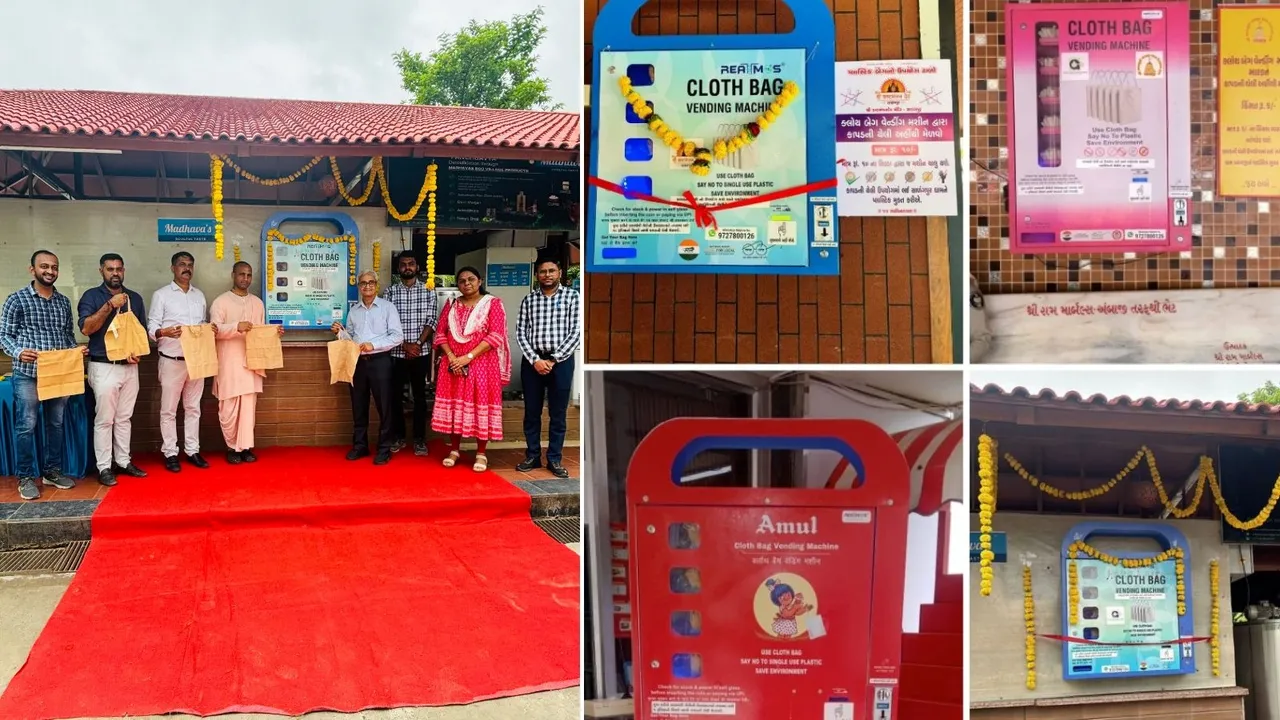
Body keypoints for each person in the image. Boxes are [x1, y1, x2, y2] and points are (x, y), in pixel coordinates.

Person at [0, 250, 87, 500]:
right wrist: (18, 352)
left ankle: (51, 472)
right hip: (28, 373)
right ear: (33, 270)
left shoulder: (63, 302)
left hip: (59, 373)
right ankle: (26, 477)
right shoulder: (16, 299)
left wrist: (75, 351)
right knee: (26, 425)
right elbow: (3, 335)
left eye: (54, 267)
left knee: (55, 424)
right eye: (44, 266)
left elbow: (67, 335)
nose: (50, 271)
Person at [77, 253, 149, 486]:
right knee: (105, 419)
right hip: (103, 366)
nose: (115, 273)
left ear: (124, 270)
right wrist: (110, 305)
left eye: (119, 269)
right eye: (110, 269)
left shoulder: (135, 298)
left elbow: (141, 332)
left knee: (124, 418)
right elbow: (87, 329)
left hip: (129, 367)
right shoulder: (91, 296)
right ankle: (104, 467)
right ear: (102, 271)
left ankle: (123, 461)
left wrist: (138, 352)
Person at [432, 266, 510, 472]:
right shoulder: (451, 304)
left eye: (471, 279)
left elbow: (495, 336)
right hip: (453, 366)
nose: (467, 283)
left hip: (482, 365)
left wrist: (467, 358)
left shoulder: (492, 304)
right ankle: (455, 450)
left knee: (480, 406)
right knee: (454, 407)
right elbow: (440, 334)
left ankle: (481, 453)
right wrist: (452, 358)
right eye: (462, 281)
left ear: (480, 281)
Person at [210, 262, 283, 465]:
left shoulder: (258, 303)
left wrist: (274, 333)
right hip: (228, 364)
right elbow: (213, 330)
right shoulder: (220, 302)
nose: (245, 278)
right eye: (241, 274)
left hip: (251, 362)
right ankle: (231, 447)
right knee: (228, 408)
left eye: (249, 275)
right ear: (233, 275)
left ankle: (245, 447)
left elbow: (260, 332)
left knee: (248, 408)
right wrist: (236, 327)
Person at [516, 258, 581, 479]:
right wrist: (535, 359)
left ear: (559, 273)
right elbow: (520, 332)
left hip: (561, 362)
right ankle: (533, 455)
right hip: (532, 361)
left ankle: (554, 458)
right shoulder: (529, 299)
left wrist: (553, 359)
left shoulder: (573, 297)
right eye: (543, 271)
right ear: (537, 275)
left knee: (558, 413)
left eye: (551, 270)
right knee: (531, 412)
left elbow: (576, 332)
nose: (547, 275)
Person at [332, 270, 403, 465]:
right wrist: (340, 332)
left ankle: (384, 448)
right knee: (358, 405)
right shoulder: (354, 311)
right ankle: (360, 445)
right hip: (357, 363)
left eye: (371, 282)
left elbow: (397, 336)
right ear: (359, 287)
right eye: (363, 283)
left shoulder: (388, 308)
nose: (367, 286)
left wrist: (374, 345)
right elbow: (350, 338)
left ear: (376, 285)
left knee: (385, 406)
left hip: (381, 361)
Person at [148, 251, 210, 473]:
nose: (187, 268)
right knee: (169, 410)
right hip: (171, 360)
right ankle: (170, 453)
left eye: (190, 264)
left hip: (196, 360)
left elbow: (202, 324)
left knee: (193, 408)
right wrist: (163, 332)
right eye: (182, 264)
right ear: (173, 268)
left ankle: (192, 450)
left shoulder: (199, 295)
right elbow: (151, 327)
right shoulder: (161, 295)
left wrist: (208, 329)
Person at [381, 253, 438, 456]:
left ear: (417, 267)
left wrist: (417, 344)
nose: (407, 267)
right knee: (395, 397)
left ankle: (420, 440)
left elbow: (432, 320)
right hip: (396, 353)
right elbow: (385, 324)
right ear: (398, 268)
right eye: (403, 264)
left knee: (420, 397)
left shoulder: (429, 291)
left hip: (421, 352)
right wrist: (405, 345)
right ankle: (399, 437)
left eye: (411, 264)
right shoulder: (389, 292)